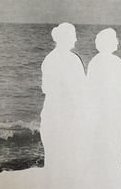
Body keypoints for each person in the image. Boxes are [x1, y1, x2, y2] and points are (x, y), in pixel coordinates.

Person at [86, 28, 121, 183]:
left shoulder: (94, 62)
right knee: (114, 149)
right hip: (113, 113)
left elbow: (89, 91)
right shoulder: (115, 61)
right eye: (115, 39)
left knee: (100, 149)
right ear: (108, 43)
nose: (117, 42)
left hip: (99, 114)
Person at [40, 22, 86, 187]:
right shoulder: (73, 59)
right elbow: (81, 90)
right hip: (68, 115)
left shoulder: (49, 58)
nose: (75, 39)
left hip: (50, 113)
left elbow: (45, 88)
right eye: (73, 35)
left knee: (53, 161)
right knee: (69, 160)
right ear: (67, 38)